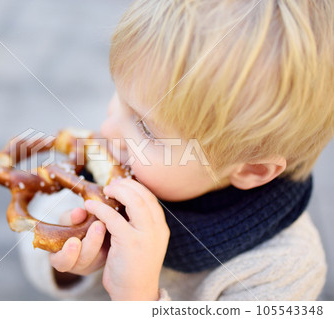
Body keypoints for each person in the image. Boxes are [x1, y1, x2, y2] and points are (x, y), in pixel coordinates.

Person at [18, 0, 333, 300]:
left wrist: (140, 299)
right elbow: (35, 230)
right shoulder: (106, 172)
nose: (110, 129)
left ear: (251, 169)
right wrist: (71, 267)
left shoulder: (282, 271)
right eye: (120, 96)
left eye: (144, 127)